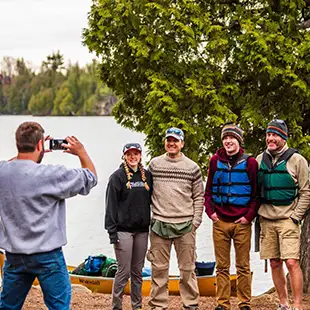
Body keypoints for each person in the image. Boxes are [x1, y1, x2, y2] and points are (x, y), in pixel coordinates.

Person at [0, 121, 97, 310]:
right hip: (48, 255)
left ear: (18, 143)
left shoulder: (3, 172)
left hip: (14, 255)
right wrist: (81, 152)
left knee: (8, 307)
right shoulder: (52, 175)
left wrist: (28, 154)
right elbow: (90, 178)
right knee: (59, 307)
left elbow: (13, 165)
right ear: (39, 145)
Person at [147, 127, 204, 310]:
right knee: (159, 269)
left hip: (185, 225)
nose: (172, 143)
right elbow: (145, 192)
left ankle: (190, 304)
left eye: (175, 141)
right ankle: (158, 305)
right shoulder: (154, 165)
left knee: (187, 270)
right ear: (165, 142)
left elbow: (199, 197)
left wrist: (195, 222)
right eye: (169, 140)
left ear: (182, 143)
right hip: (159, 224)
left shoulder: (192, 167)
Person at [257, 119, 310, 310]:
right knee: (274, 263)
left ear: (283, 137)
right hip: (266, 218)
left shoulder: (297, 160)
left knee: (292, 262)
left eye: (275, 135)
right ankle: (283, 303)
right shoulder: (259, 159)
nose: (270, 138)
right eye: (268, 135)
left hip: (288, 218)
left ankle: (297, 305)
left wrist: (296, 216)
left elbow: (306, 192)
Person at [204, 123, 259, 310]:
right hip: (220, 221)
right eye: (225, 138)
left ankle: (244, 304)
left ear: (239, 141)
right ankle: (222, 304)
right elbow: (208, 191)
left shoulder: (250, 162)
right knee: (222, 266)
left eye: (232, 138)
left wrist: (248, 217)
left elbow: (256, 194)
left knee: (243, 266)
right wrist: (211, 212)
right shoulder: (214, 161)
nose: (228, 141)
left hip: (241, 222)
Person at [105, 143, 152, 310]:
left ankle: (137, 306)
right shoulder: (117, 177)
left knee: (137, 272)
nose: (133, 157)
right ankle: (116, 306)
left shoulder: (147, 176)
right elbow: (110, 206)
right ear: (124, 156)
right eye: (129, 154)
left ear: (140, 155)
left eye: (136, 154)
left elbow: (152, 201)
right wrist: (112, 232)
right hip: (123, 231)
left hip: (142, 231)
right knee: (123, 272)